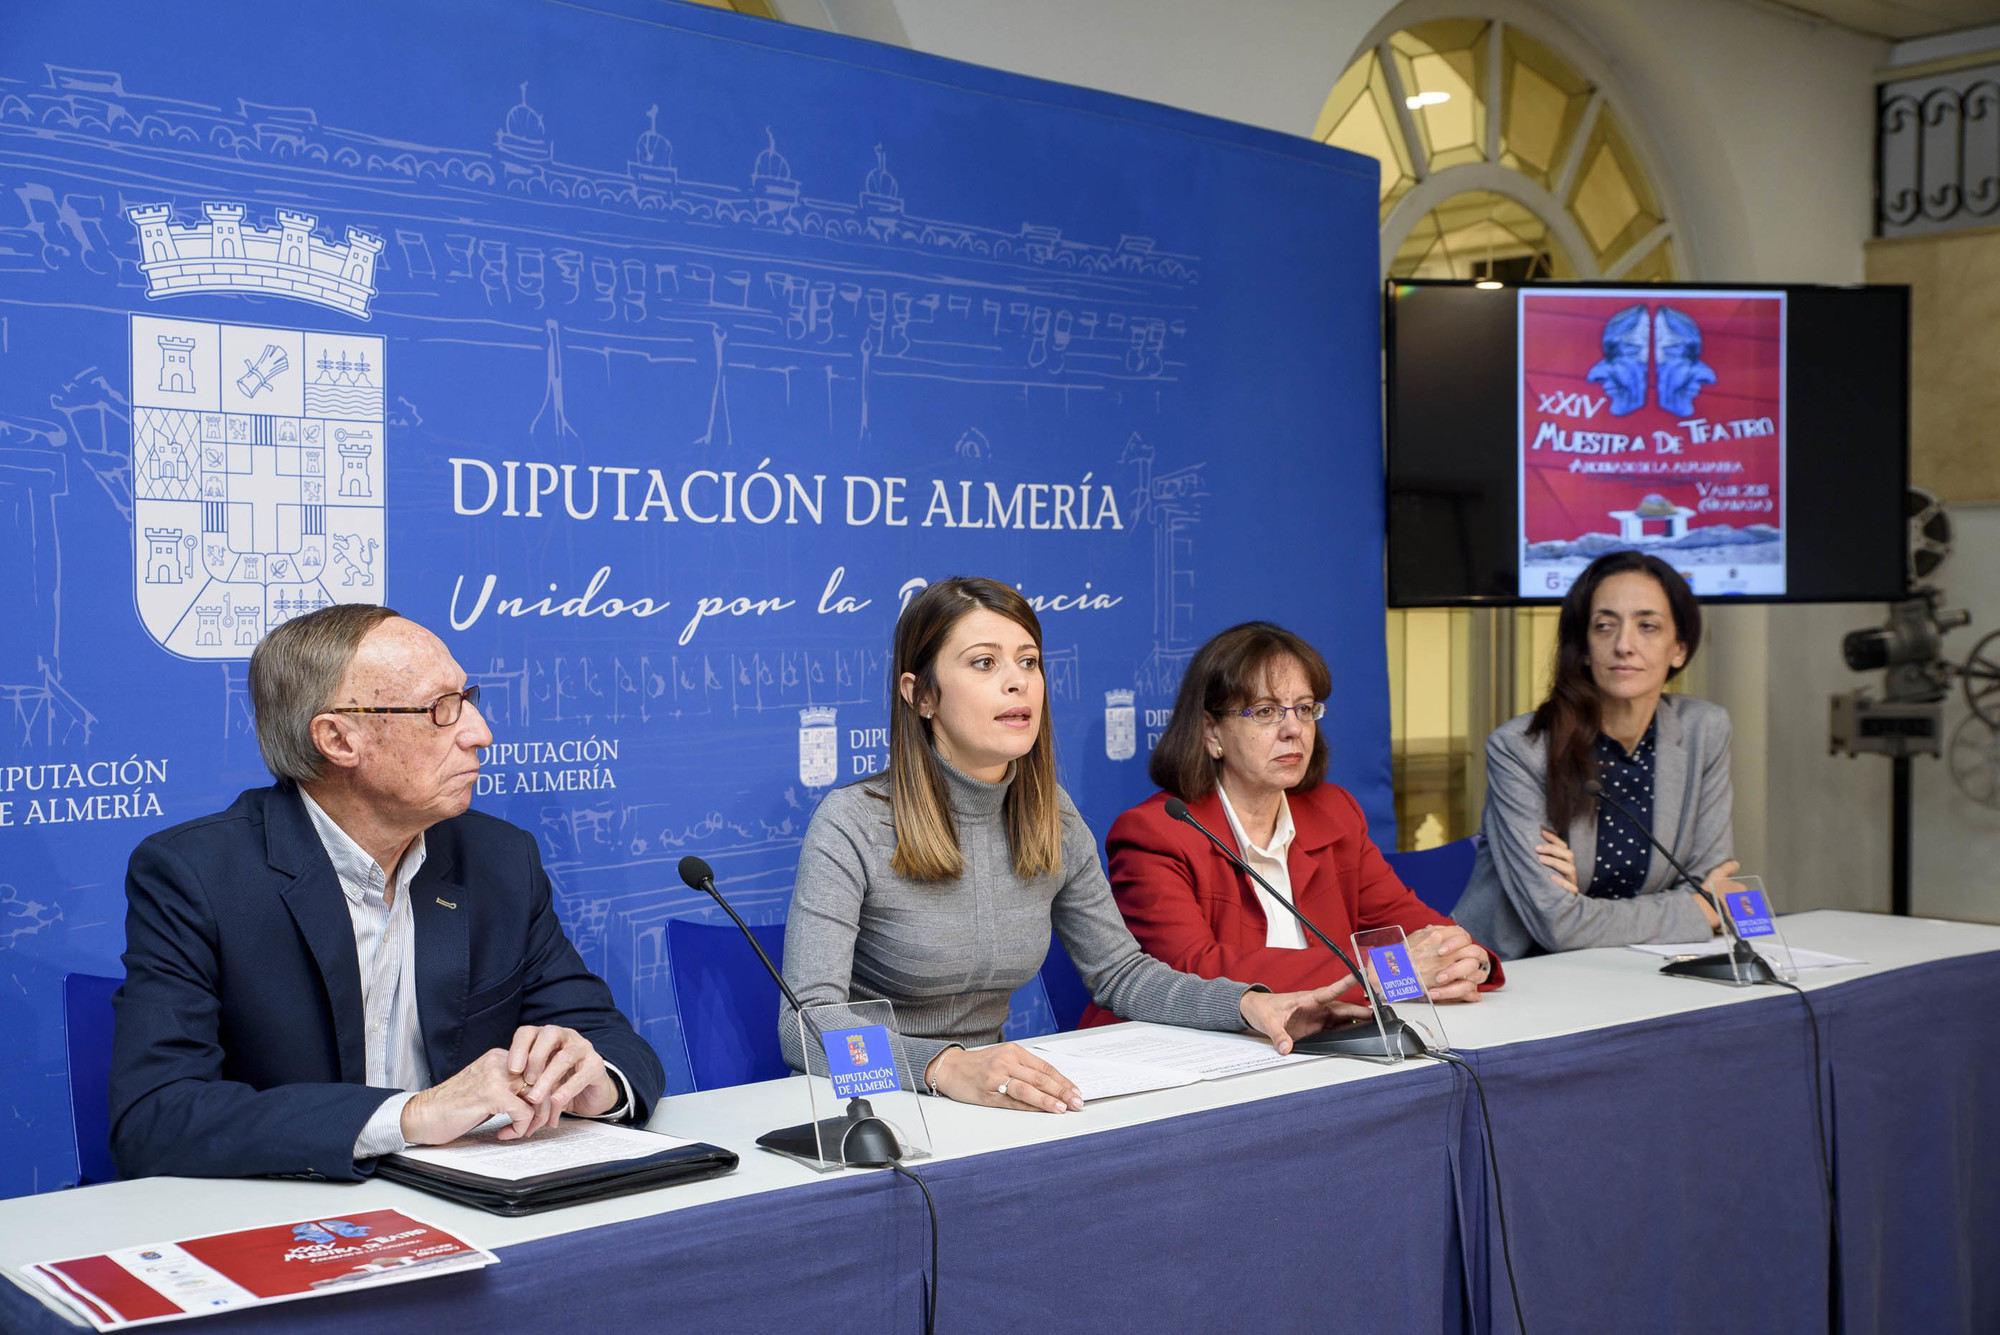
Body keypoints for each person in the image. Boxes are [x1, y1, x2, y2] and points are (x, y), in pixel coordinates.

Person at [111, 605, 664, 1181]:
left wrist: (594, 1081)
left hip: (480, 1204)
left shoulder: (498, 859)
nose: (480, 733)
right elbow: (155, 1115)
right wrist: (413, 1115)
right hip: (298, 1213)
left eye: (467, 699)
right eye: (439, 710)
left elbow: (608, 1039)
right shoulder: (198, 875)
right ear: (337, 739)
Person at [779, 578, 1369, 1114]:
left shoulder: (1050, 814)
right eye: (984, 663)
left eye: (1028, 662)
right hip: (869, 1103)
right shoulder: (853, 822)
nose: (1017, 681)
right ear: (921, 694)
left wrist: (1247, 1005)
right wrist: (943, 1066)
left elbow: (1121, 974)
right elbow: (806, 1025)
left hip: (998, 1099)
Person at [1090, 622, 1501, 1025]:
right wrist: (1386, 976)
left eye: (1304, 709)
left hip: (1323, 1040)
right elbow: (1192, 968)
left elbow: (1412, 925)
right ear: (1211, 731)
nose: (1293, 730)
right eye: (1266, 712)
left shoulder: (1333, 812)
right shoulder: (1156, 833)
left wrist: (1467, 961)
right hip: (1197, 1051)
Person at [1454, 551, 1739, 957]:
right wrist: (1693, 909)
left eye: (1648, 626)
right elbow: (1557, 925)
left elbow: (1715, 885)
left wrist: (1589, 911)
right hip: (1525, 974)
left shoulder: (1703, 730)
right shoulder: (1520, 748)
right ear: (1584, 647)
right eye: (1604, 626)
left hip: (1647, 965)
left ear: (1679, 648)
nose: (1624, 645)